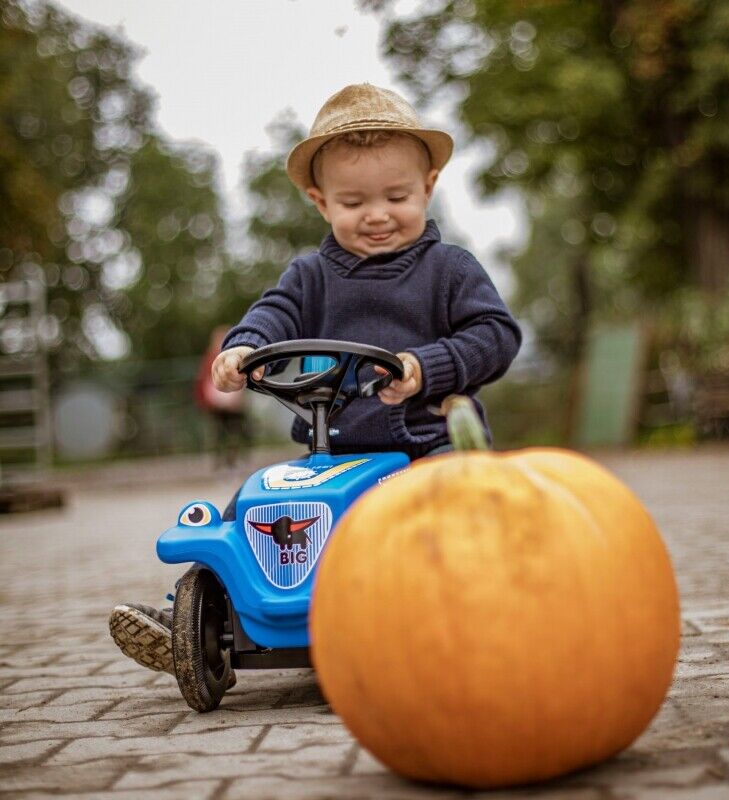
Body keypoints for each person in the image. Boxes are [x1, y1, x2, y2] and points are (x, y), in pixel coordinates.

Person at [109, 83, 522, 680]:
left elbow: (496, 335)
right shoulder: (311, 276)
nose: (378, 214)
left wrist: (422, 367)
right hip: (337, 449)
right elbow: (275, 311)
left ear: (428, 187)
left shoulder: (449, 270)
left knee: (455, 523)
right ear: (320, 201)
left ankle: (473, 614)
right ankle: (195, 618)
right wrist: (244, 346)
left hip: (429, 444)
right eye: (354, 201)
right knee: (254, 508)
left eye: (397, 196)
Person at [194, 325, 250, 469]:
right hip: (216, 406)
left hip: (231, 405)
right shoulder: (209, 359)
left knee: (236, 432)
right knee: (219, 434)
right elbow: (205, 383)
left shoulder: (231, 357)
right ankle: (220, 463)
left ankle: (234, 460)